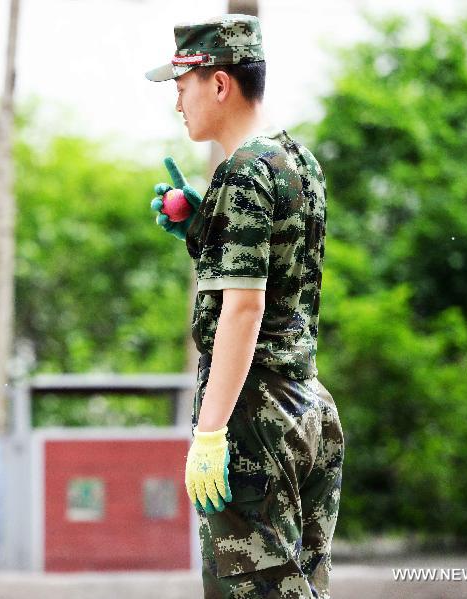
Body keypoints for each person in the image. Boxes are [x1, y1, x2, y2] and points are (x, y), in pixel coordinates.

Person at [145, 15, 345, 599]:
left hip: (253, 416)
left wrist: (210, 434)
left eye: (182, 86)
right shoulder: (298, 163)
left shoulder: (243, 171)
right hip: (307, 407)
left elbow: (244, 310)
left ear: (219, 83)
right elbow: (283, 270)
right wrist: (199, 221)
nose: (178, 103)